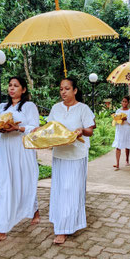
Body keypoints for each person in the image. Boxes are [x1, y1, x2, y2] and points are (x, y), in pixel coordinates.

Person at [0, 76, 40, 247]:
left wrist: (17, 128)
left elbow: (35, 129)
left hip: (22, 150)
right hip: (4, 150)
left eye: (16, 86)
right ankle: (0, 231)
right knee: (2, 187)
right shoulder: (2, 107)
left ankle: (34, 210)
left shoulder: (29, 107)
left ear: (23, 89)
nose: (11, 88)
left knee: (25, 182)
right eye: (10, 85)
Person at [46, 78, 95, 244]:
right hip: (59, 154)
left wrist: (82, 130)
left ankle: (66, 228)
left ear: (75, 90)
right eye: (61, 89)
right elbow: (49, 128)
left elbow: (90, 130)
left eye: (67, 89)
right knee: (60, 190)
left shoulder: (83, 108)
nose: (63, 92)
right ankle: (60, 222)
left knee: (71, 190)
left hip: (76, 156)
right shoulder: (55, 108)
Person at [112, 96, 130, 169]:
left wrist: (126, 119)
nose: (124, 103)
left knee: (127, 146)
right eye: (123, 101)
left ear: (128, 103)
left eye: (126, 101)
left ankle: (127, 160)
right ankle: (117, 163)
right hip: (120, 130)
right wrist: (118, 120)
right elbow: (115, 121)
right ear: (121, 102)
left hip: (127, 130)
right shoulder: (118, 111)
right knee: (118, 146)